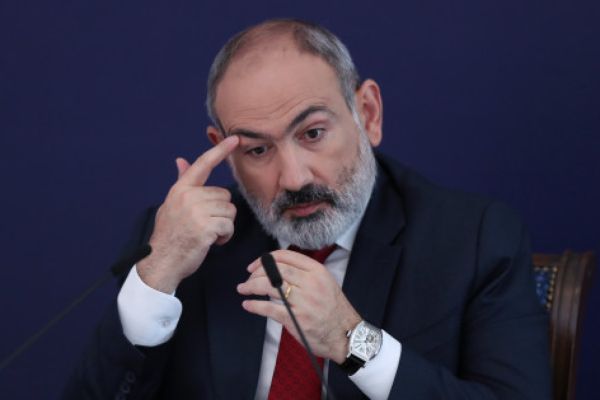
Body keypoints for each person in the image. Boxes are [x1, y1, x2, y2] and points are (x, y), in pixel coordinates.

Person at [64, 19, 552, 399]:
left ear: (367, 114)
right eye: (258, 150)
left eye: (313, 133)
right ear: (224, 151)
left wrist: (352, 340)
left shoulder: (475, 239)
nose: (294, 178)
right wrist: (156, 276)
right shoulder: (186, 243)